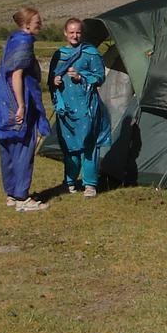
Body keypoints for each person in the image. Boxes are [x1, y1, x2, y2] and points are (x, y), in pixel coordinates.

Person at [0, 7, 50, 212]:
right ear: (26, 25)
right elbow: (17, 75)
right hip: (17, 98)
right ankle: (22, 196)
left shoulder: (13, 39)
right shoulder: (24, 42)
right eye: (37, 22)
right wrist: (22, 105)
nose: (40, 25)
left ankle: (11, 194)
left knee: (8, 146)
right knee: (24, 146)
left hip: (1, 100)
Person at [48, 17, 110, 198]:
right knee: (69, 147)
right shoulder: (58, 55)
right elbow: (50, 80)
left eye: (78, 32)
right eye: (71, 32)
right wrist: (54, 80)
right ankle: (69, 182)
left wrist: (81, 77)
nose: (75, 35)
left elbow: (100, 77)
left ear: (82, 34)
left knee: (89, 145)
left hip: (87, 107)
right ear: (65, 33)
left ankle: (90, 184)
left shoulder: (91, 53)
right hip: (65, 108)